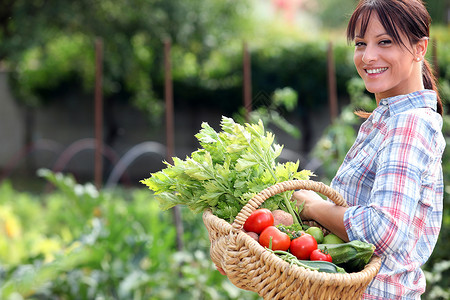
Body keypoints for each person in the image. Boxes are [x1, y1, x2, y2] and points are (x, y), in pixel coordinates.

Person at [293, 0, 445, 298]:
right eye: (361, 43)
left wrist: (313, 206)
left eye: (385, 41)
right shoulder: (389, 119)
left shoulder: (409, 124)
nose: (368, 56)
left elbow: (382, 230)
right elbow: (353, 216)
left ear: (420, 48)